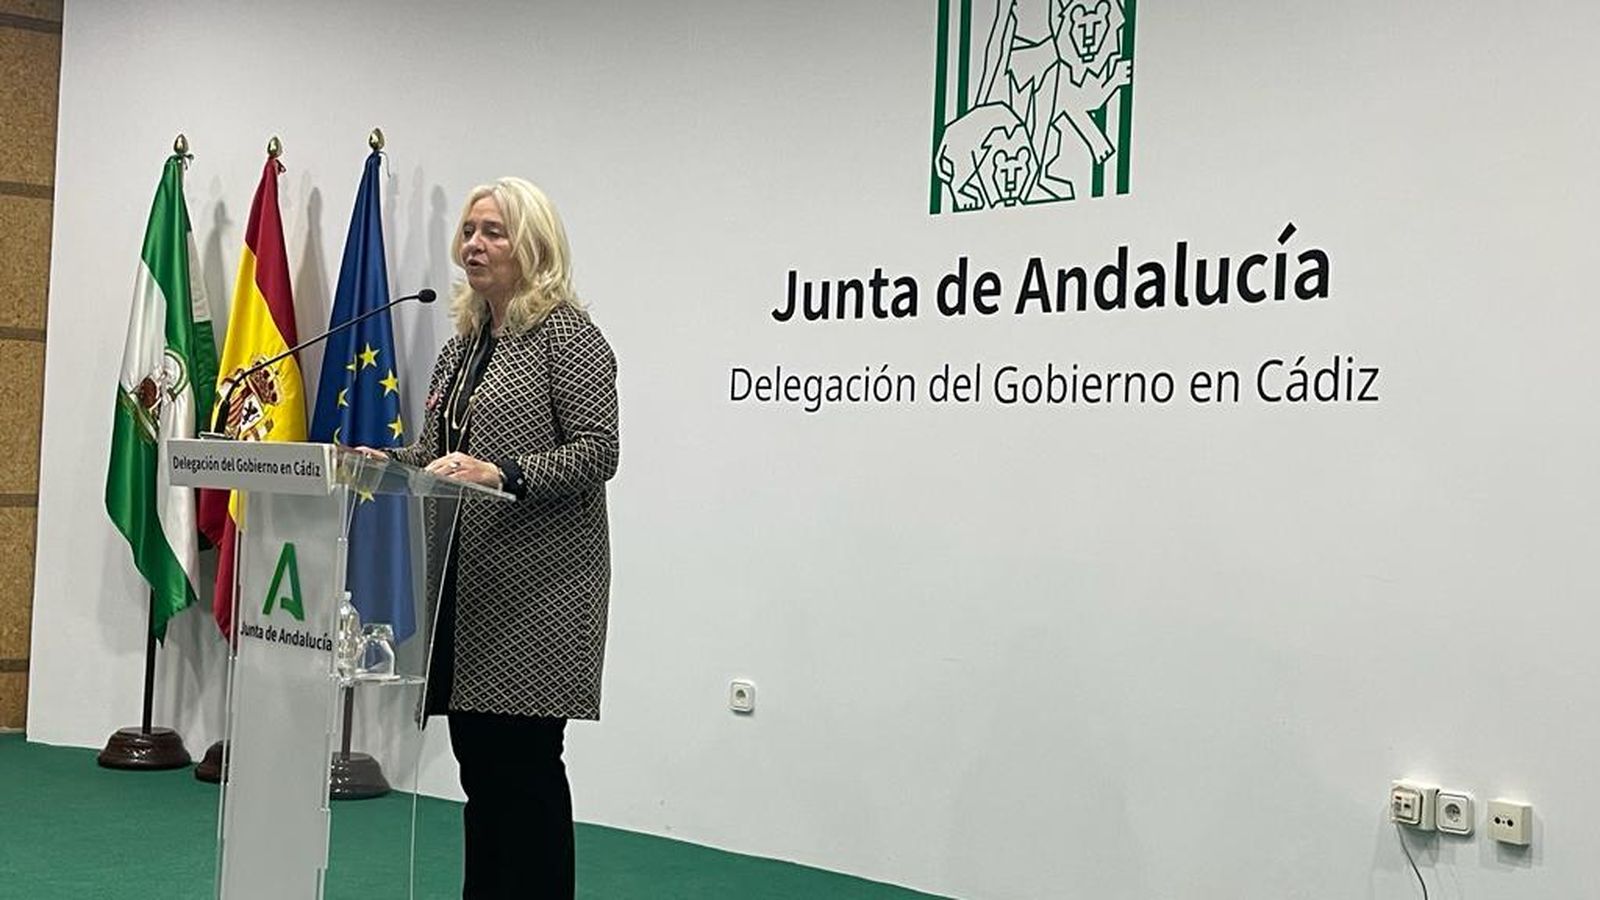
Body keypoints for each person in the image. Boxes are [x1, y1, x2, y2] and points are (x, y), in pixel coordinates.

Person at [387, 176, 619, 899]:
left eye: (494, 231)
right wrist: (376, 462)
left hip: (539, 593)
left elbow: (598, 452)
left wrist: (503, 472)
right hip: (469, 587)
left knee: (524, 771)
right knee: (479, 767)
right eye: (469, 231)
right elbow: (434, 451)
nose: (474, 245)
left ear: (534, 246)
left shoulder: (567, 335)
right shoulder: (464, 343)